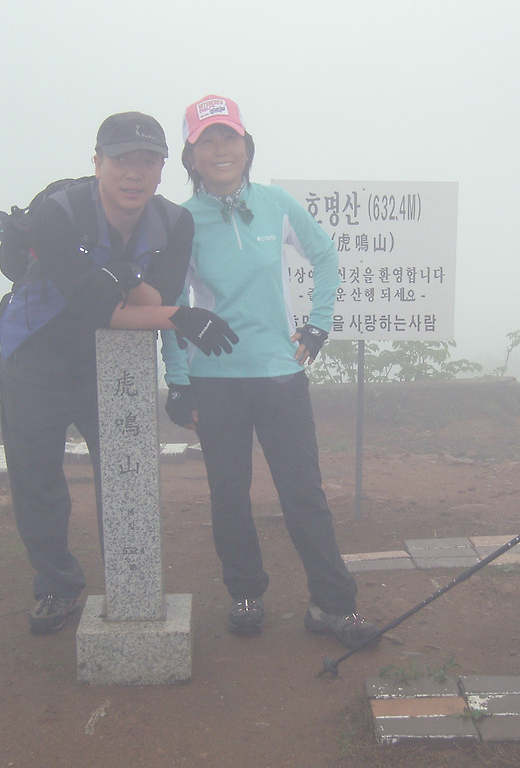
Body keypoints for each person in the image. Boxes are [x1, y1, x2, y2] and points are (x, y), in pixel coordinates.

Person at [0, 111, 238, 635]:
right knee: (36, 476)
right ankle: (57, 585)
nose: (134, 174)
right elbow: (95, 306)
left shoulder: (175, 222)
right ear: (97, 163)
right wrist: (177, 316)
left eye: (147, 162)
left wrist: (137, 290)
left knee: (125, 473)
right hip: (33, 353)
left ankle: (131, 583)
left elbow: (156, 296)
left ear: (162, 170)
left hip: (113, 356)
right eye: (121, 160)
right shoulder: (58, 214)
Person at [160, 95, 380, 650]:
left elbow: (325, 257)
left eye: (228, 137)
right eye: (207, 140)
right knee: (229, 495)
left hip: (280, 375)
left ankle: (333, 605)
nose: (220, 149)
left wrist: (317, 326)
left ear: (246, 146)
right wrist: (178, 378)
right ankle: (246, 594)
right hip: (214, 381)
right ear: (191, 155)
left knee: (303, 493)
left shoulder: (278, 203)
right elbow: (170, 304)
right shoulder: (181, 221)